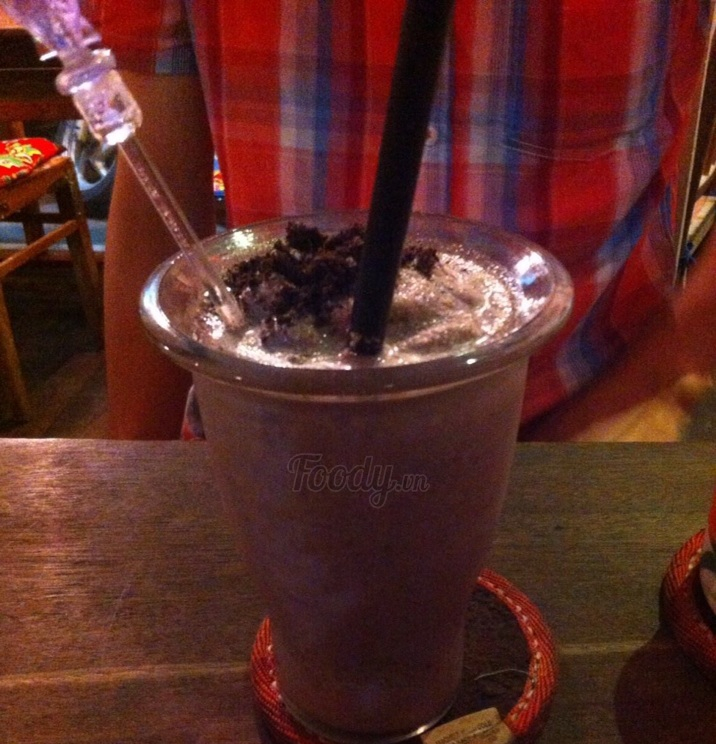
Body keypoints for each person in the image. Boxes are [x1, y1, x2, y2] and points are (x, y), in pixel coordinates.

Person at [84, 0, 715, 440]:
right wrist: (142, 485)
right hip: (269, 436)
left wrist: (643, 385)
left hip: (590, 416)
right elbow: (158, 193)